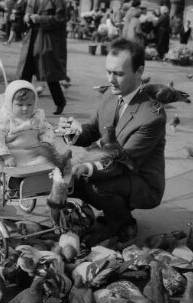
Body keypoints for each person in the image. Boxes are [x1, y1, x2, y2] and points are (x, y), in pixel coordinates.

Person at [57, 38, 166, 249]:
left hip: (140, 178)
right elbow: (91, 130)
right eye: (109, 72)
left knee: (92, 182)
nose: (111, 79)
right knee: (70, 178)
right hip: (116, 166)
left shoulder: (152, 115)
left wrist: (84, 168)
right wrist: (72, 133)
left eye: (118, 73)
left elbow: (122, 162)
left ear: (139, 71)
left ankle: (123, 224)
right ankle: (113, 213)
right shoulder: (111, 92)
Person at [0, 80, 57, 168]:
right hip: (12, 154)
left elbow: (47, 130)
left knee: (47, 161)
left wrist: (46, 142)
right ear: (10, 104)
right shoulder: (3, 120)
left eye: (29, 104)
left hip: (33, 152)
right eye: (20, 105)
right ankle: (13, 178)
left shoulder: (36, 118)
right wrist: (6, 156)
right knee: (3, 165)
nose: (25, 108)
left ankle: (39, 177)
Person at [16, 0, 68, 115]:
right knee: (25, 74)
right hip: (30, 41)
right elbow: (24, 15)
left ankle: (60, 102)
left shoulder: (58, 2)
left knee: (50, 74)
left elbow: (62, 19)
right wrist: (26, 17)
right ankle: (21, 105)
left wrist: (41, 19)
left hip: (46, 41)